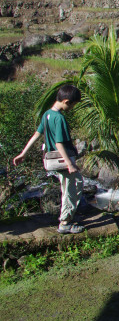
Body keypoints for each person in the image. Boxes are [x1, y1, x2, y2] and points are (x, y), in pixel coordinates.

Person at [14, 84, 85, 234]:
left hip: (52, 160)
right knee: (71, 188)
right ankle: (65, 222)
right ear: (66, 101)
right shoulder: (59, 118)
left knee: (72, 185)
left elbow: (37, 134)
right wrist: (69, 164)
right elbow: (59, 143)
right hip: (62, 160)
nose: (72, 108)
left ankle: (66, 217)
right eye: (73, 105)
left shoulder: (47, 114)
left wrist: (23, 153)